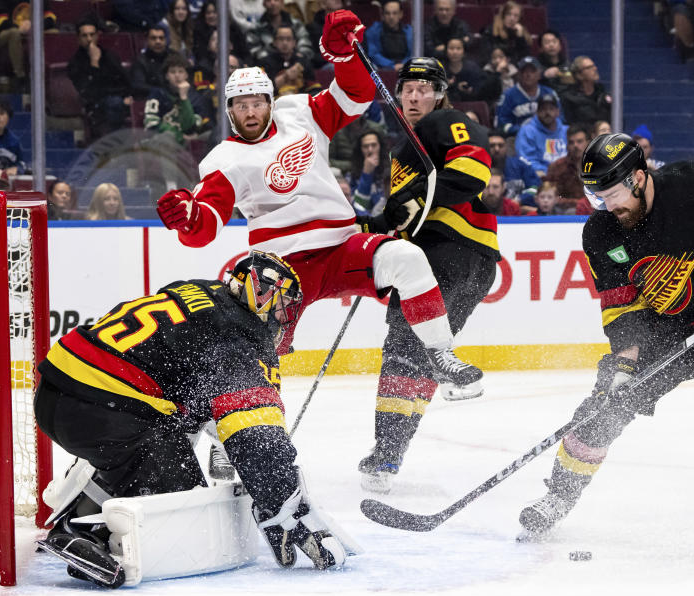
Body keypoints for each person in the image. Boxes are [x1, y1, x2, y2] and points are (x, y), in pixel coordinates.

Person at [154, 14, 483, 396]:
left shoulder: (299, 115)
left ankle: (439, 354)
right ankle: (235, 436)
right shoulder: (223, 159)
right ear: (229, 110)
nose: (249, 113)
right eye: (240, 105)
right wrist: (187, 217)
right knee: (255, 352)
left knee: (406, 259)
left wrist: (344, 57)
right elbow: (205, 227)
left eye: (257, 103)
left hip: (342, 246)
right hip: (279, 269)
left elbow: (356, 96)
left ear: (270, 102)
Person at [518, 133, 694, 562]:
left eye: (612, 195)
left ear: (638, 178)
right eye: (596, 198)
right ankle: (558, 496)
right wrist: (623, 368)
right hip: (668, 330)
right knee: (606, 405)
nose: (606, 208)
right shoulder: (601, 232)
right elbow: (621, 309)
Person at [34, 252, 354, 587]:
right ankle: (92, 532)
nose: (284, 316)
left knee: (177, 424)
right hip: (99, 409)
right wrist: (280, 498)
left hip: (60, 390)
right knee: (183, 506)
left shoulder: (202, 291)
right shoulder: (238, 335)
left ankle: (80, 510)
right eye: (282, 304)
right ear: (261, 293)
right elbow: (254, 434)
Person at [353, 57, 497, 492]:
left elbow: (474, 170)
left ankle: (385, 456)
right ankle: (391, 454)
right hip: (474, 262)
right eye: (407, 90)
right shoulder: (405, 146)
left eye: (423, 89)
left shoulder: (445, 122)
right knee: (425, 355)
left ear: (439, 93)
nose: (414, 96)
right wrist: (377, 225)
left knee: (402, 343)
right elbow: (403, 218)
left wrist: (414, 200)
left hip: (445, 252)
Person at [68, 18, 136, 140]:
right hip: (95, 105)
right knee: (114, 103)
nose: (89, 39)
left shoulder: (109, 56)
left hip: (119, 99)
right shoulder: (75, 63)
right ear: (78, 39)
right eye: (84, 36)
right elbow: (90, 92)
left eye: (92, 35)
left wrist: (127, 96)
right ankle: (116, 143)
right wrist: (94, 63)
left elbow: (124, 80)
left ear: (97, 36)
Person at [0, 1, 58, 92]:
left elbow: (51, 17)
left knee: (53, 32)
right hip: (7, 33)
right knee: (15, 33)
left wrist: (34, 25)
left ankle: (47, 73)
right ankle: (20, 76)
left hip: (32, 30)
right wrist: (19, 26)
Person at [145, 55, 212, 145]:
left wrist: (184, 97)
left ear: (186, 75)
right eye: (172, 72)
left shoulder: (195, 97)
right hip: (163, 139)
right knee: (167, 137)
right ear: (166, 76)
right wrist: (178, 135)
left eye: (181, 71)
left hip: (188, 140)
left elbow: (190, 127)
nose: (177, 75)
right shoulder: (157, 94)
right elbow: (151, 124)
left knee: (212, 135)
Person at [493, 56, 558, 139]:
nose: (528, 75)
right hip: (517, 138)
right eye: (524, 71)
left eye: (532, 71)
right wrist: (523, 130)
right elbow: (501, 125)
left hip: (548, 136)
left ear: (539, 74)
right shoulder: (507, 96)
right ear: (519, 74)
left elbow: (560, 118)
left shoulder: (550, 93)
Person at [515, 92, 568, 177]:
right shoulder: (527, 131)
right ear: (537, 112)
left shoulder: (566, 131)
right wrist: (546, 172)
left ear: (558, 112)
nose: (547, 112)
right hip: (539, 175)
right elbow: (526, 160)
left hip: (566, 175)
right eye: (543, 109)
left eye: (551, 109)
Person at [246, 0, 314, 63]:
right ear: (264, 4)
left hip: (296, 64)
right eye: (269, 0)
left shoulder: (296, 24)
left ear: (282, 2)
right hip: (268, 67)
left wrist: (295, 58)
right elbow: (254, 51)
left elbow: (305, 46)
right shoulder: (256, 28)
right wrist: (275, 59)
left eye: (276, 0)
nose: (273, 3)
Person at [545, 122, 591, 213]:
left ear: (588, 142)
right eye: (571, 142)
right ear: (567, 145)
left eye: (579, 141)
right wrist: (580, 203)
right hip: (567, 215)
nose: (575, 146)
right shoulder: (557, 167)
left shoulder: (599, 166)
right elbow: (552, 198)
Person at [263, 25, 318, 96]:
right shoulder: (266, 62)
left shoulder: (303, 61)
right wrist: (285, 76)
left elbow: (313, 86)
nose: (285, 43)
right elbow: (265, 90)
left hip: (301, 101)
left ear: (294, 43)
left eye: (288, 39)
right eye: (281, 39)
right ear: (274, 42)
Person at [559, 56, 612, 128]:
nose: (595, 69)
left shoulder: (603, 94)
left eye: (594, 66)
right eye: (589, 67)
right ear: (579, 75)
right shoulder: (569, 98)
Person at [443, 38, 498, 104]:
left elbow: (482, 88)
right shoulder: (440, 69)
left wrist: (472, 90)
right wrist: (452, 86)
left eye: (458, 48)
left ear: (464, 52)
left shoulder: (473, 68)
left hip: (471, 103)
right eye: (451, 48)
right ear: (446, 51)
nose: (455, 52)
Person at [131, 26, 179, 99]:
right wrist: (160, 91)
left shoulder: (175, 56)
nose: (158, 41)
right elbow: (138, 85)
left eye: (161, 38)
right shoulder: (140, 61)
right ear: (147, 40)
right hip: (153, 99)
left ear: (166, 40)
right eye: (153, 38)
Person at [349, 128, 389, 215]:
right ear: (360, 150)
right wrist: (366, 174)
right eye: (365, 146)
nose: (370, 150)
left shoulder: (392, 169)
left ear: (380, 146)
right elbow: (359, 206)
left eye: (374, 145)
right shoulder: (352, 176)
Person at [364, 0, 413, 71]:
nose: (391, 17)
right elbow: (373, 54)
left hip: (406, 68)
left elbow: (413, 53)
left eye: (395, 13)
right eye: (387, 13)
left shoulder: (410, 31)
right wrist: (392, 66)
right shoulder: (373, 31)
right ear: (382, 15)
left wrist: (404, 65)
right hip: (382, 70)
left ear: (401, 14)